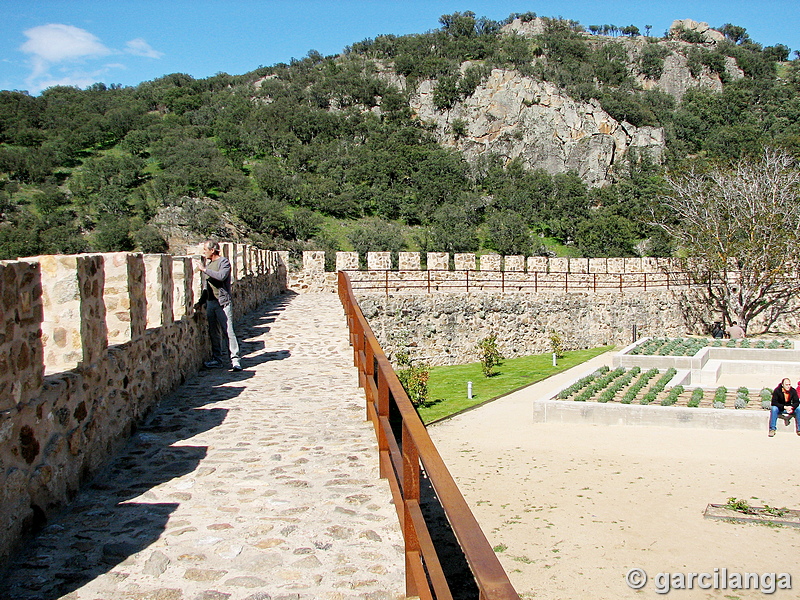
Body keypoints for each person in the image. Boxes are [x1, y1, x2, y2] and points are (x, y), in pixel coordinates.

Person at [194, 240, 242, 371]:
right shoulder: (210, 264)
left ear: (213, 250)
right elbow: (207, 287)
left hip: (222, 303)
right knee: (213, 332)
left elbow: (221, 277)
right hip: (211, 302)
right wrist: (201, 302)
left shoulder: (223, 262)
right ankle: (217, 359)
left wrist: (204, 270)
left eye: (205, 250)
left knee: (228, 331)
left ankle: (235, 360)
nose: (204, 253)